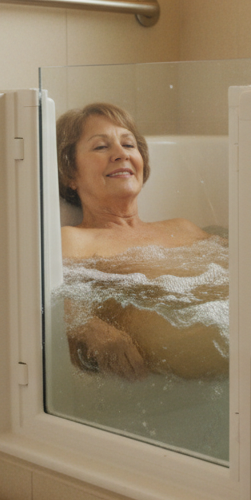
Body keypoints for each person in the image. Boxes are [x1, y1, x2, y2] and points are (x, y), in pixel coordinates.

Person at [56, 102, 226, 380]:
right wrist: (90, 328)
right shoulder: (73, 240)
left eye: (129, 145)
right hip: (201, 340)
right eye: (101, 147)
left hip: (232, 322)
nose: (120, 154)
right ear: (70, 173)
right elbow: (46, 300)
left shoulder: (183, 228)